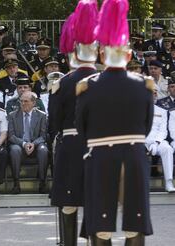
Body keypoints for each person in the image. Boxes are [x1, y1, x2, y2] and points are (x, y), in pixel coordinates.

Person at [75, 0, 154, 244]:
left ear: (101, 53)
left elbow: (81, 128)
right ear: (129, 54)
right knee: (135, 223)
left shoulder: (87, 87)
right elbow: (147, 125)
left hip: (100, 157)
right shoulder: (144, 85)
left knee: (100, 224)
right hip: (134, 155)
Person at [49, 2, 99, 245]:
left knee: (69, 201)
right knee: (96, 200)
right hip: (99, 147)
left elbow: (54, 123)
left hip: (70, 145)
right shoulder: (105, 80)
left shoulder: (62, 83)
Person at [8, 91, 48, 194]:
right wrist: (24, 144)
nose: (23, 104)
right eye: (21, 101)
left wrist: (33, 144)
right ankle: (16, 183)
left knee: (43, 150)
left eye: (26, 101)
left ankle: (42, 182)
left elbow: (43, 136)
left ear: (33, 103)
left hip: (36, 145)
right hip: (20, 145)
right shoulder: (12, 115)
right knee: (14, 150)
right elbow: (11, 136)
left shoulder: (41, 115)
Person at [148, 84, 175, 192]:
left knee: (167, 149)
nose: (154, 93)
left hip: (157, 140)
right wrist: (147, 142)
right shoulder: (137, 109)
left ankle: (168, 182)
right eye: (152, 91)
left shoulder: (162, 110)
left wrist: (156, 142)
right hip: (142, 140)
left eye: (155, 91)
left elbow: (163, 130)